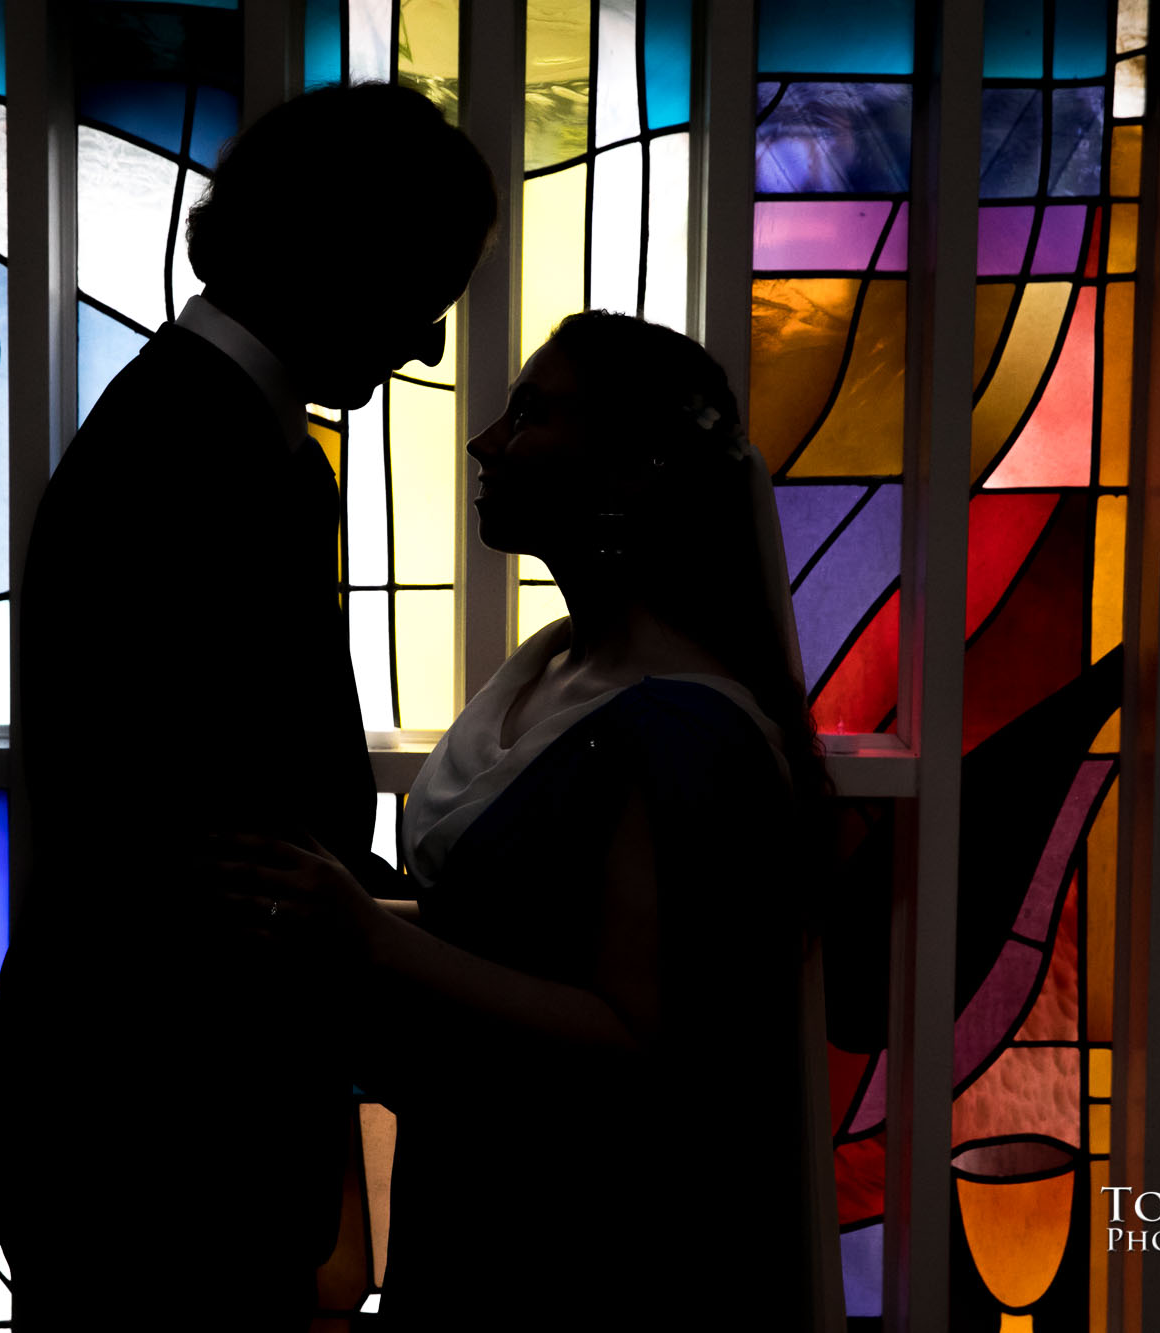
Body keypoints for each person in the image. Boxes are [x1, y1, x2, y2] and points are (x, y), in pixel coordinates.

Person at [0, 83, 496, 1328]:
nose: (422, 345)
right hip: (163, 1114)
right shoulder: (213, 456)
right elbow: (221, 828)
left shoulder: (189, 422)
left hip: (147, 1103)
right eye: (422, 293)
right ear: (341, 257)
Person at [217, 311, 847, 1330]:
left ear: (635, 468)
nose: (483, 443)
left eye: (530, 415)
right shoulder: (555, 662)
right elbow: (507, 934)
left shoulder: (680, 727)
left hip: (580, 1237)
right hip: (470, 1177)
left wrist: (368, 930)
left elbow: (637, 1034)